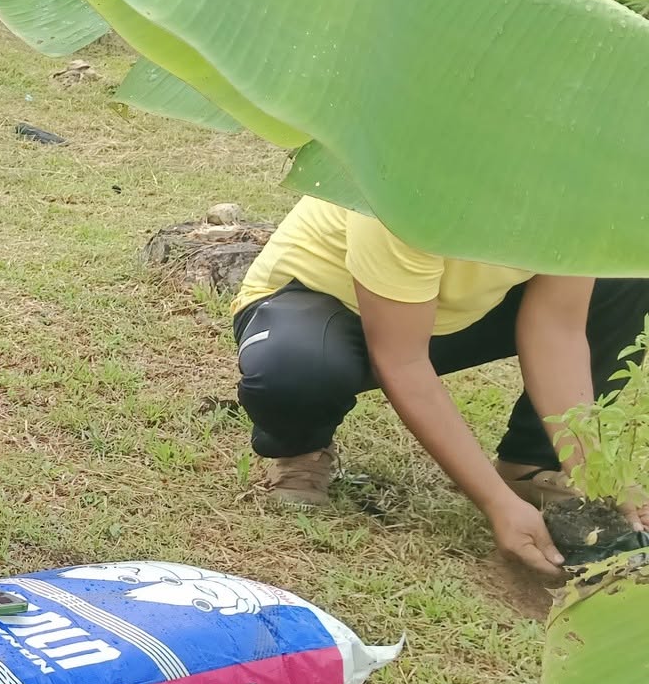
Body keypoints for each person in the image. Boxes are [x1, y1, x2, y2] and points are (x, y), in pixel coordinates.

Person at [232, 195, 649, 572]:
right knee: (295, 371)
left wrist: (597, 476)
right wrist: (494, 503)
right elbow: (402, 360)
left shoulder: (576, 191)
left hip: (441, 314)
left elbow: (558, 330)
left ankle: (530, 463)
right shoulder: (402, 191)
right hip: (321, 303)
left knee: (624, 277)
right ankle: (302, 447)